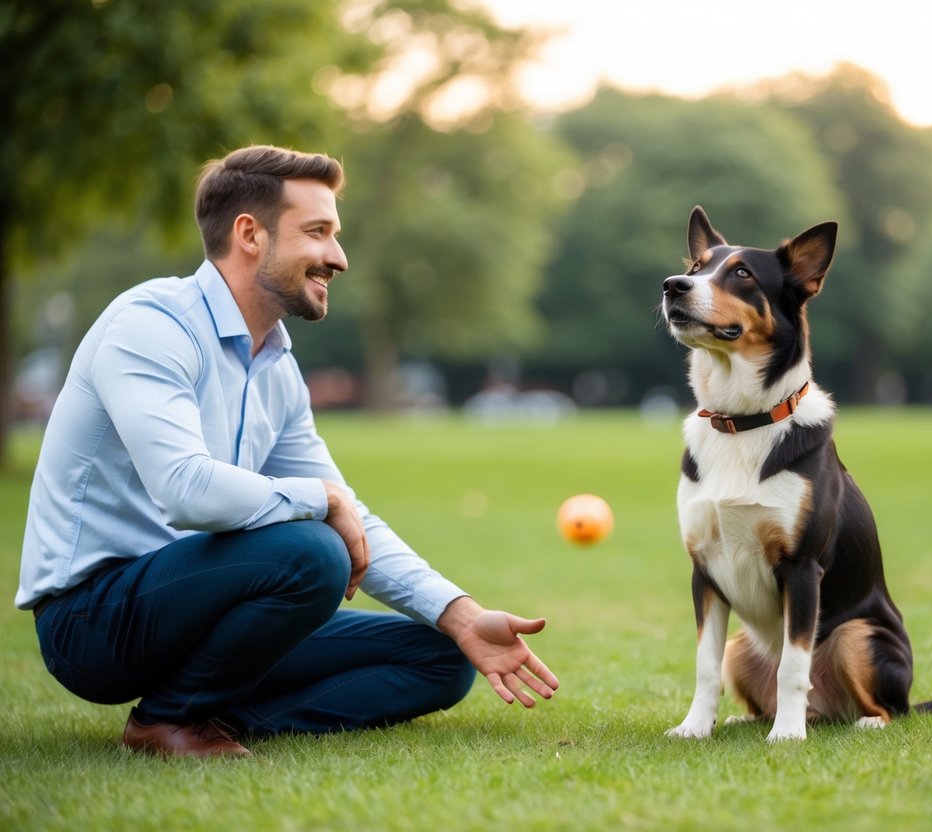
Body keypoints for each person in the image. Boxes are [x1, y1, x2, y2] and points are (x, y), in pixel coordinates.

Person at [16, 145, 559, 758]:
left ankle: (220, 711)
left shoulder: (275, 363)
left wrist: (460, 614)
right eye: (318, 232)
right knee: (312, 549)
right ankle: (168, 720)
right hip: (94, 621)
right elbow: (184, 488)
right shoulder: (151, 325)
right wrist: (321, 500)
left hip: (207, 612)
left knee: (440, 657)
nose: (338, 257)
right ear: (249, 234)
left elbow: (349, 516)